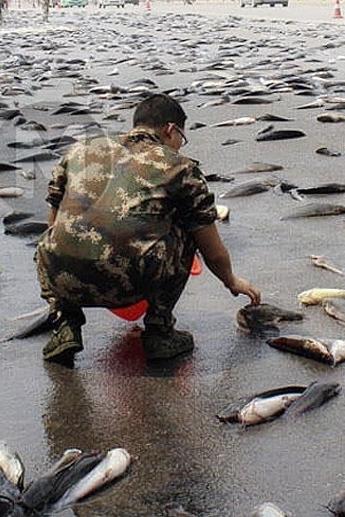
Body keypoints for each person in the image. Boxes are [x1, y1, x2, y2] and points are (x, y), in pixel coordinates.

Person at [36, 93, 262, 365]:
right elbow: (210, 248)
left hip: (61, 277)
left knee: (58, 238)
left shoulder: (79, 151)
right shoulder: (179, 166)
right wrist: (231, 280)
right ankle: (160, 331)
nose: (179, 145)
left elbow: (54, 218)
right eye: (181, 137)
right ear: (170, 129)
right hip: (130, 282)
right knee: (189, 226)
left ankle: (65, 326)